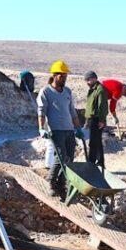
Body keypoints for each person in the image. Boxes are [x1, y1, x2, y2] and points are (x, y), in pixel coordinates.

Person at [37, 60, 82, 196]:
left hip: (69, 130)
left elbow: (72, 112)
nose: (64, 79)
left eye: (65, 76)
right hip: (56, 130)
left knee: (69, 158)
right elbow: (41, 111)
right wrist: (41, 128)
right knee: (60, 157)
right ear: (55, 75)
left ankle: (61, 184)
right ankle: (51, 181)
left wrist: (78, 128)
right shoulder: (46, 92)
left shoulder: (67, 91)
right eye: (61, 76)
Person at [84, 71, 109, 168]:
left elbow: (102, 107)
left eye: (89, 79)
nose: (87, 82)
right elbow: (90, 106)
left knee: (94, 143)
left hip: (97, 120)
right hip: (91, 119)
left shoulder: (100, 90)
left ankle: (92, 163)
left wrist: (102, 120)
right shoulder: (92, 89)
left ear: (94, 78)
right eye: (86, 80)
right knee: (96, 142)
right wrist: (87, 120)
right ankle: (100, 163)